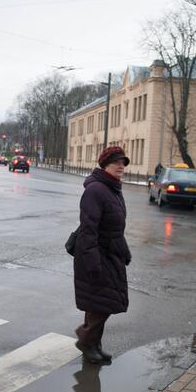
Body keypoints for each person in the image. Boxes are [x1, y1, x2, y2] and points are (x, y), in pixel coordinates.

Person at [73, 146, 132, 364]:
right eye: (116, 162)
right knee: (102, 303)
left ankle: (94, 345)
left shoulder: (113, 189)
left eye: (123, 162)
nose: (121, 166)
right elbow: (89, 230)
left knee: (99, 303)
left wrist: (124, 250)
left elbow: (116, 228)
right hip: (97, 255)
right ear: (105, 165)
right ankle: (85, 338)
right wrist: (93, 262)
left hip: (111, 253)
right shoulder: (96, 190)